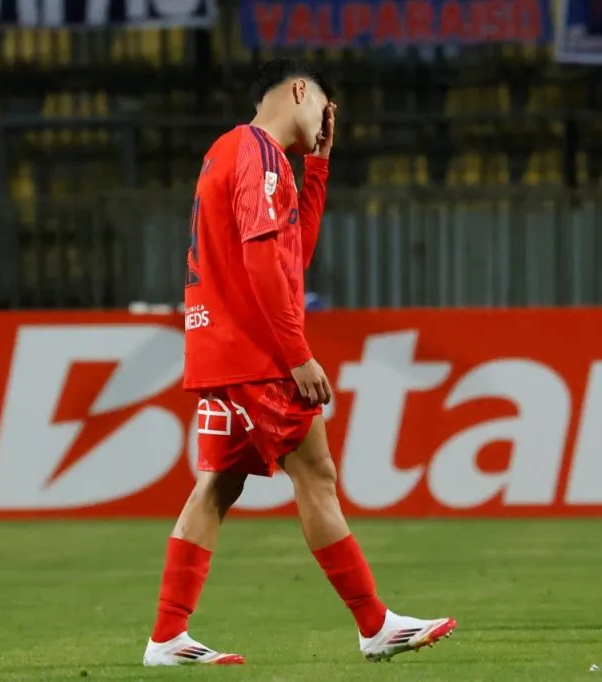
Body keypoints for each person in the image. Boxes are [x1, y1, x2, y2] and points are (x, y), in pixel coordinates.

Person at [142, 59, 456, 667]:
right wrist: (297, 356)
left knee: (217, 485)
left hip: (219, 348)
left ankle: (166, 636)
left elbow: (292, 255)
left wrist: (319, 168)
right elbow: (264, 265)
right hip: (255, 350)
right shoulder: (257, 152)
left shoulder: (239, 154)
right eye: (323, 107)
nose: (325, 119)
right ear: (299, 90)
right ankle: (375, 624)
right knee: (316, 475)